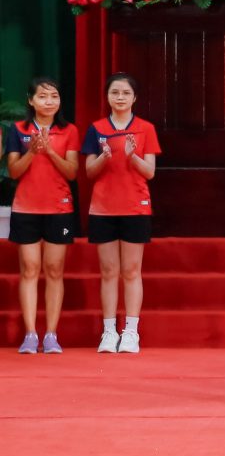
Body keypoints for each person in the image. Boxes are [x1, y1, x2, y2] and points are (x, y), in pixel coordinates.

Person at [82, 73, 160, 354]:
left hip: (135, 207)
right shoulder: (96, 129)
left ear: (134, 97)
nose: (120, 97)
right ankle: (109, 331)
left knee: (131, 270)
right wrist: (105, 157)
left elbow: (149, 172)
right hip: (103, 208)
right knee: (108, 271)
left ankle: (130, 331)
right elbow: (89, 172)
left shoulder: (145, 129)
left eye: (126, 93)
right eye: (115, 92)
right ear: (107, 97)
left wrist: (131, 156)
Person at [5, 77, 80, 354]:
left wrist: (49, 151)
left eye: (54, 96)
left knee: (54, 270)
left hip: (59, 208)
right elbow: (14, 171)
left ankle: (50, 335)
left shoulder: (69, 130)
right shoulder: (18, 130)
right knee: (30, 269)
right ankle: (30, 334)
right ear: (31, 100)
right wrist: (32, 153)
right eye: (43, 96)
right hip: (26, 208)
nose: (49, 102)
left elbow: (72, 172)